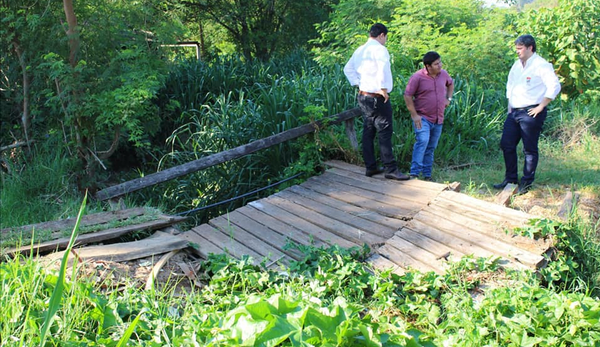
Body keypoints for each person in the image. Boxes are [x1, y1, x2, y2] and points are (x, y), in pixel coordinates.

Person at [494, 34, 561, 194]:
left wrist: (541, 106)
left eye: (520, 48)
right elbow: (510, 85)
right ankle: (510, 179)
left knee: (529, 149)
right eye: (516, 48)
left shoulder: (541, 65)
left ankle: (527, 182)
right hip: (514, 111)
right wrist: (510, 105)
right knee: (506, 144)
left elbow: (554, 86)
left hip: (531, 111)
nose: (517, 51)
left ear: (530, 48)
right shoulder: (517, 65)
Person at [343, 23, 409, 180]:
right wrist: (383, 88)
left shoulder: (360, 50)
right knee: (385, 131)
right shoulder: (380, 49)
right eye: (385, 37)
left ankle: (370, 167)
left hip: (363, 96)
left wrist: (358, 83)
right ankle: (390, 169)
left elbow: (347, 69)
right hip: (377, 96)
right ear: (382, 35)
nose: (385, 40)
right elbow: (383, 68)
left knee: (369, 130)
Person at [403, 51, 454, 181]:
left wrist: (449, 98)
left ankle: (427, 175)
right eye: (436, 64)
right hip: (422, 117)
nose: (440, 65)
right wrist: (414, 115)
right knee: (423, 141)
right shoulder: (417, 77)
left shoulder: (444, 74)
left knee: (431, 147)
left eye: (440, 62)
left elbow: (450, 83)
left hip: (438, 118)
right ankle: (414, 173)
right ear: (428, 66)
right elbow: (407, 95)